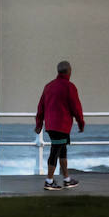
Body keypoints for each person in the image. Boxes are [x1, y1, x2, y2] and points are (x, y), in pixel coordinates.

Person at [35, 60, 86, 190]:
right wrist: (81, 122)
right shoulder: (69, 87)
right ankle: (49, 181)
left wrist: (39, 123)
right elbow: (76, 107)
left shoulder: (49, 86)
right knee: (55, 151)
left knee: (62, 151)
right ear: (69, 71)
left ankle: (67, 179)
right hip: (61, 125)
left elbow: (41, 106)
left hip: (51, 126)